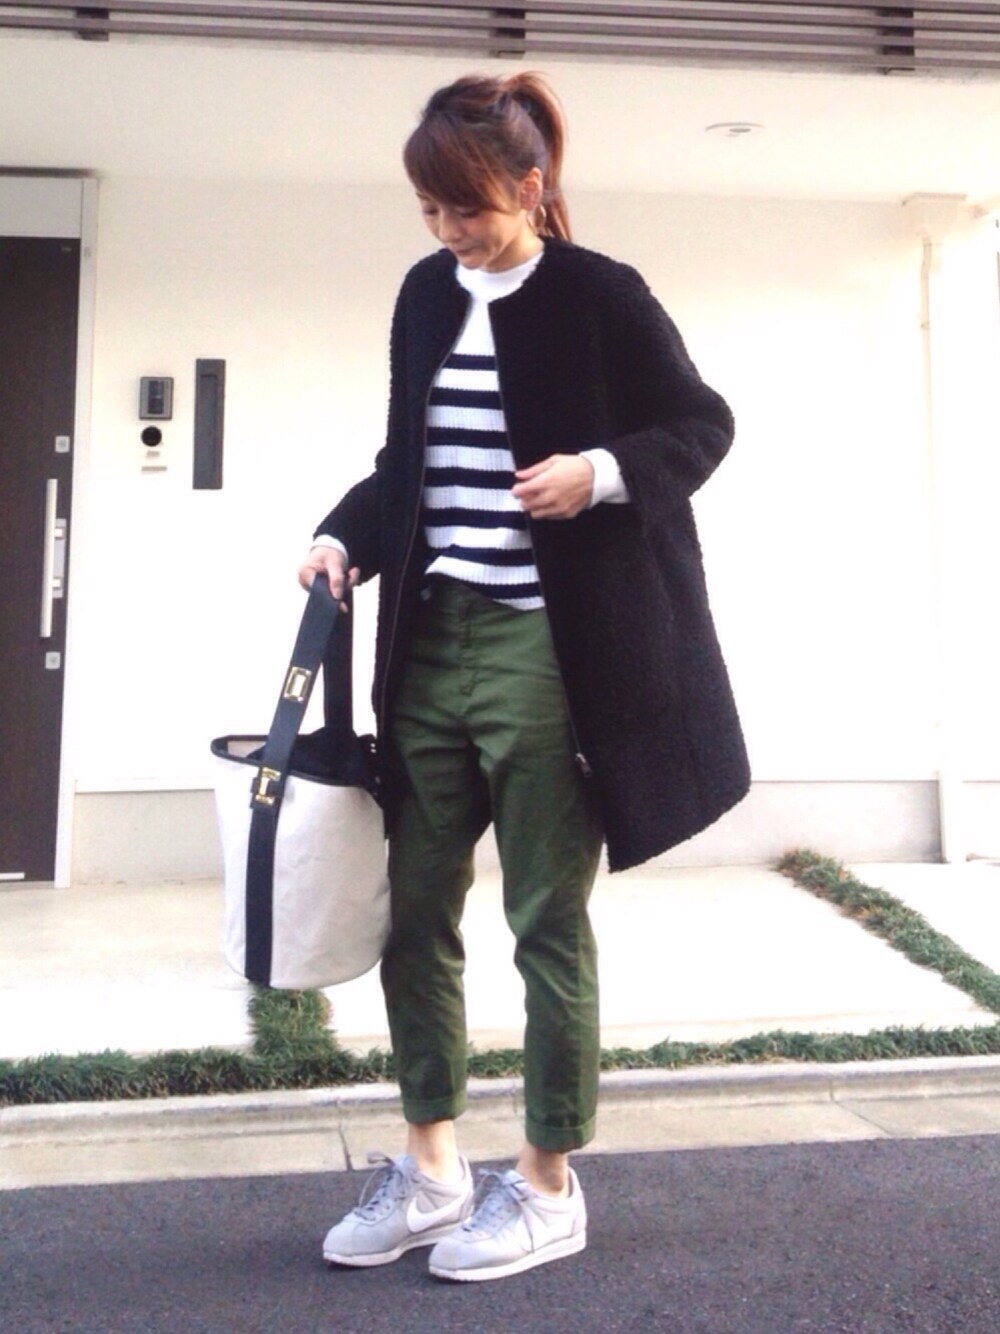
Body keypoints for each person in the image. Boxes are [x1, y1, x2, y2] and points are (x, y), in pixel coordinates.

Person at [298, 71, 750, 1283]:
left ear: (531, 186)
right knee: (414, 912)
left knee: (544, 914)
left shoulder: (601, 293)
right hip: (427, 640)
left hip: (546, 646)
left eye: (469, 208)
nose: (449, 230)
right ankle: (430, 1167)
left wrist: (600, 471)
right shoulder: (422, 295)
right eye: (430, 209)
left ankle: (547, 1179)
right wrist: (341, 535)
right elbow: (409, 462)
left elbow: (701, 423)